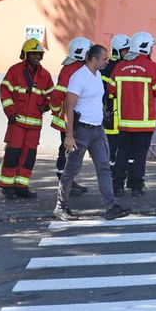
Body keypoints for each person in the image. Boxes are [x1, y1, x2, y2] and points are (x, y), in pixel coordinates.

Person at [55, 44, 132, 221]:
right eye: (104, 59)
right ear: (94, 59)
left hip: (97, 130)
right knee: (71, 169)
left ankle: (111, 206)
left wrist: (102, 114)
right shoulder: (78, 77)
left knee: (104, 167)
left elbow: (96, 100)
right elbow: (69, 107)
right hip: (81, 131)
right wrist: (69, 135)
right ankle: (61, 206)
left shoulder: (97, 75)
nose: (107, 61)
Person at [109, 31, 156, 197]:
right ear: (146, 48)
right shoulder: (153, 67)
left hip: (124, 122)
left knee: (121, 153)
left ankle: (118, 186)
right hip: (144, 123)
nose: (152, 50)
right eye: (151, 47)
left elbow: (111, 89)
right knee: (139, 156)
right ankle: (136, 187)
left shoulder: (120, 67)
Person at [0, 38, 55, 199]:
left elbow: (52, 95)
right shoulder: (15, 71)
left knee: (29, 156)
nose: (37, 57)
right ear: (26, 54)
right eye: (34, 54)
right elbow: (5, 91)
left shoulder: (45, 75)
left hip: (35, 125)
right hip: (17, 122)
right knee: (13, 154)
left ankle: (22, 185)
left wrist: (47, 105)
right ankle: (7, 186)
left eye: (39, 54)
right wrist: (11, 112)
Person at [48, 37, 92, 197]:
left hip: (73, 117)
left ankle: (69, 181)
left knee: (72, 151)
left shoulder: (75, 67)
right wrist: (56, 110)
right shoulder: (72, 69)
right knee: (67, 151)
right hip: (69, 119)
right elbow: (57, 94)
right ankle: (64, 182)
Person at [102, 34, 131, 167]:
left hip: (124, 112)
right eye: (125, 50)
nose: (128, 53)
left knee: (125, 146)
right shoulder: (108, 68)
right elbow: (104, 92)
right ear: (116, 51)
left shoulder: (126, 66)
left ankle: (120, 174)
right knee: (112, 146)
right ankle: (112, 175)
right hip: (111, 113)